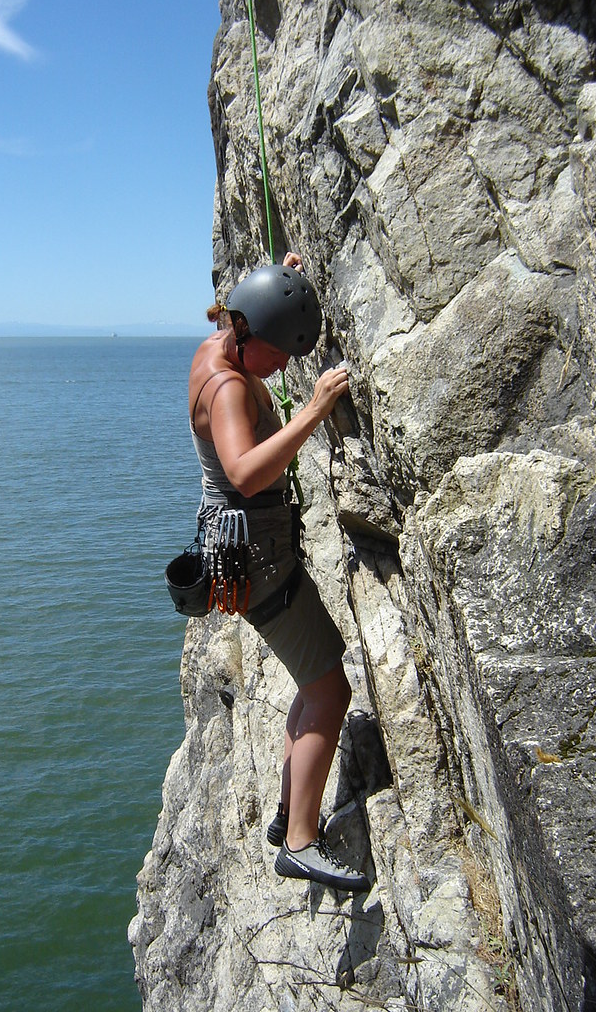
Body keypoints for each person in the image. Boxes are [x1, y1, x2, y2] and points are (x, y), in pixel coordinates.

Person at [188, 252, 370, 892]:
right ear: (251, 337)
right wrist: (312, 412)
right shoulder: (230, 385)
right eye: (281, 352)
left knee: (311, 678)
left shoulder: (225, 335)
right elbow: (243, 472)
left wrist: (280, 277)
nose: (287, 367)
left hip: (250, 552)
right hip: (259, 559)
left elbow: (243, 307)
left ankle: (287, 810)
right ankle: (299, 840)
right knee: (330, 690)